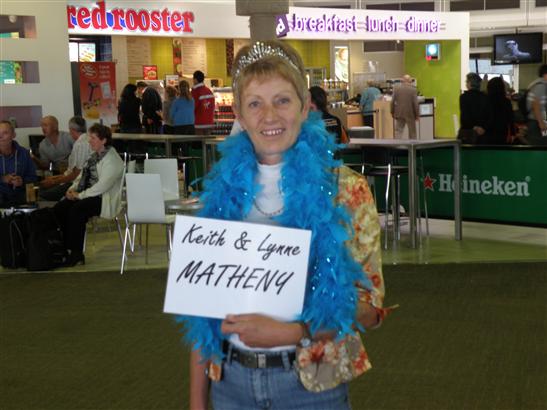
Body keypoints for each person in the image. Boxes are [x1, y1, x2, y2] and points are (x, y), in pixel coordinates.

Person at [183, 40, 388, 410]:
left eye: (282, 100)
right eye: (255, 104)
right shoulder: (221, 190)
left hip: (311, 386)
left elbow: (370, 310)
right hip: (230, 383)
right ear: (240, 117)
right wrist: (198, 402)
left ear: (305, 105)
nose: (269, 116)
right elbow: (202, 308)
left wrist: (296, 332)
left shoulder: (345, 190)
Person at [52, 124, 124, 266]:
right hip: (88, 194)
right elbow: (80, 178)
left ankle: (77, 253)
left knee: (76, 210)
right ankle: (64, 248)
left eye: (93, 138)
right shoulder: (93, 157)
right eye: (89, 137)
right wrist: (72, 190)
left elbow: (102, 186)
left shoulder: (112, 160)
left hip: (104, 199)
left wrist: (79, 195)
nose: (89, 141)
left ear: (104, 140)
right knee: (60, 208)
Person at [39, 116, 92, 201]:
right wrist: (54, 178)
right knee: (42, 188)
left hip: (76, 183)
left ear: (71, 129)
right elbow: (72, 171)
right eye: (42, 125)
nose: (43, 128)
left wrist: (54, 181)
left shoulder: (80, 143)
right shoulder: (42, 144)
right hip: (67, 176)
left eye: (45, 125)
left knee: (42, 195)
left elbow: (76, 174)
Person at [0, 120, 37, 207]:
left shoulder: (24, 153)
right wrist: (2, 179)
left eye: (5, 133)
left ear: (13, 135)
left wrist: (22, 181)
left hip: (20, 197)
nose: (0, 136)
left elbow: (33, 178)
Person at [458, 72, 489, 144]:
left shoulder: (463, 97)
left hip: (468, 133)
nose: (466, 83)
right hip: (483, 133)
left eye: (466, 81)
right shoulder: (485, 97)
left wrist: (473, 127)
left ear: (470, 83)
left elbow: (464, 117)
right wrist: (483, 128)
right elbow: (489, 116)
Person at [483, 77, 514, 145]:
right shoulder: (506, 101)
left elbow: (483, 116)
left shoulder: (485, 101)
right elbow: (510, 118)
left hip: (488, 132)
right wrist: (512, 133)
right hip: (502, 132)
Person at [391, 74, 419, 139]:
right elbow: (415, 103)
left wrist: (392, 111)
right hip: (410, 113)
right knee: (412, 132)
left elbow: (392, 101)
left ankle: (397, 146)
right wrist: (417, 115)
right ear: (410, 81)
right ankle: (412, 146)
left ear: (402, 80)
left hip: (399, 113)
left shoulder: (396, 89)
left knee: (398, 131)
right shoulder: (413, 90)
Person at [525, 64, 547, 145]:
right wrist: (541, 123)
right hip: (536, 123)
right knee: (538, 147)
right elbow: (535, 104)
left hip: (537, 121)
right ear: (545, 74)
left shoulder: (539, 84)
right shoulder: (540, 86)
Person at [191, 70, 215, 135]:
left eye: (193, 79)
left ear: (195, 79)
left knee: (199, 144)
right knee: (207, 143)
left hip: (199, 124)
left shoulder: (195, 92)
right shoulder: (209, 91)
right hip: (209, 123)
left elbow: (192, 107)